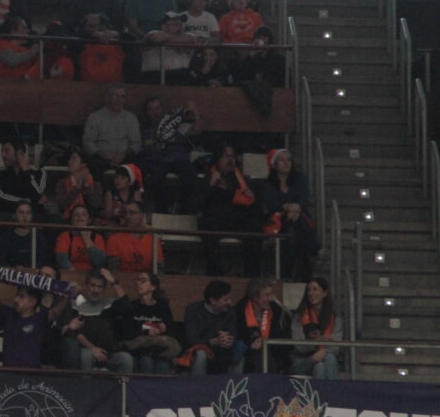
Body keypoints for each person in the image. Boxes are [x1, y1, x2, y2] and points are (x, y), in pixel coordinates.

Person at [199, 142, 262, 277]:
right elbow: (197, 204)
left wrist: (251, 198)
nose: (230, 160)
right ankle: (215, 274)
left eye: (232, 156)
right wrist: (211, 185)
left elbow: (253, 205)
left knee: (255, 228)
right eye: (226, 156)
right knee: (207, 227)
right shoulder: (208, 177)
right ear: (218, 159)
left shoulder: (242, 180)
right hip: (215, 220)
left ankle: (251, 275)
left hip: (236, 219)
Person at [0, 274, 56, 369]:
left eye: (21, 297)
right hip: (8, 372)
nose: (16, 300)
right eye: (16, 295)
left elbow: (58, 310)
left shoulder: (40, 319)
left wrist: (67, 293)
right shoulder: (9, 314)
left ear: (33, 301)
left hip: (32, 374)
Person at [257, 147, 318, 281]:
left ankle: (294, 275)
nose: (286, 163)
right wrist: (288, 208)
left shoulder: (300, 179)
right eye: (282, 160)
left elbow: (303, 199)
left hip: (298, 218)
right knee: (293, 229)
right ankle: (299, 270)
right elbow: (272, 205)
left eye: (289, 160)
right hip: (278, 220)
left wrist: (297, 208)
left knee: (295, 228)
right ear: (275, 164)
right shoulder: (268, 185)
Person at [136, 98, 199, 215]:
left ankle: (183, 211)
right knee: (155, 178)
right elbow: (144, 149)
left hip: (178, 159)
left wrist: (195, 113)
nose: (155, 112)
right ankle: (163, 213)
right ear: (147, 112)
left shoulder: (175, 123)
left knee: (190, 176)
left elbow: (195, 131)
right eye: (151, 110)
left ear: (162, 109)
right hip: (158, 161)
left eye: (157, 108)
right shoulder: (145, 129)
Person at [63, 268, 132, 372]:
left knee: (126, 358)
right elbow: (73, 331)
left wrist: (113, 281)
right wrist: (92, 348)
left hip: (109, 353)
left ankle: (123, 384)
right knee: (86, 355)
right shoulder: (76, 303)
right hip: (87, 350)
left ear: (104, 288)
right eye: (92, 285)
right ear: (87, 285)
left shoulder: (108, 304)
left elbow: (127, 306)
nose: (96, 290)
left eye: (100, 287)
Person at [114, 271, 180, 374]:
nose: (138, 283)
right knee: (146, 360)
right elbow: (127, 333)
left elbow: (171, 332)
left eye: (143, 280)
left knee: (163, 362)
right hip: (139, 350)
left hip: (159, 349)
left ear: (153, 287)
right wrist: (146, 330)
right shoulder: (132, 306)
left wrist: (162, 329)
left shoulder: (162, 307)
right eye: (137, 280)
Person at [181, 278, 242, 375]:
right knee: (201, 353)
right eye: (225, 300)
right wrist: (212, 342)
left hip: (223, 351)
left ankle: (234, 383)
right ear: (213, 300)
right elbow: (191, 339)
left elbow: (233, 333)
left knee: (241, 348)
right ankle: (198, 383)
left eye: (229, 299)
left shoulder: (230, 311)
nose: (229, 302)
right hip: (201, 350)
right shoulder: (193, 310)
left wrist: (229, 340)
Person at [82, 84, 141, 176]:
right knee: (92, 164)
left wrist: (123, 155)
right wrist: (103, 155)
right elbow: (87, 142)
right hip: (101, 157)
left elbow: (136, 143)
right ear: (108, 97)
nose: (118, 100)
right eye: (115, 96)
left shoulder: (131, 118)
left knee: (138, 164)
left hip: (124, 157)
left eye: (122, 97)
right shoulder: (95, 117)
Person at [290, 277, 340, 380]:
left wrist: (323, 353)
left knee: (320, 367)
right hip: (302, 361)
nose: (311, 293)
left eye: (315, 289)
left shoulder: (335, 318)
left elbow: (336, 347)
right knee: (327, 359)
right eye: (309, 290)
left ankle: (324, 391)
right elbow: (298, 346)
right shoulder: (299, 316)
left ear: (325, 293)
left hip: (325, 358)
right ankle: (334, 390)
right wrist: (316, 344)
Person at [236, 276, 287, 373]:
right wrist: (250, 345)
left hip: (271, 355)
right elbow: (237, 336)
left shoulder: (277, 312)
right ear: (255, 297)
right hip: (247, 355)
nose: (270, 299)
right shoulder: (240, 312)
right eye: (266, 295)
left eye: (271, 294)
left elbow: (282, 342)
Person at [105, 201, 164, 274]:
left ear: (141, 215)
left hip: (147, 279)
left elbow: (159, 268)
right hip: (122, 279)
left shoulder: (153, 239)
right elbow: (113, 270)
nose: (127, 216)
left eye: (132, 213)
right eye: (125, 213)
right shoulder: (114, 239)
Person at [55, 203, 107, 271]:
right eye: (76, 215)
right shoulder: (64, 236)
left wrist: (87, 240)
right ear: (71, 220)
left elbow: (99, 262)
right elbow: (62, 259)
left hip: (92, 274)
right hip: (70, 273)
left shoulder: (98, 237)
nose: (80, 217)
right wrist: (75, 274)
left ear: (89, 220)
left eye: (83, 214)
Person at [55, 148, 103, 221]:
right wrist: (77, 189)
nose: (69, 161)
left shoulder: (95, 184)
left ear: (83, 164)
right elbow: (61, 204)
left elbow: (96, 204)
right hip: (68, 219)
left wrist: (88, 188)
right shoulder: (62, 183)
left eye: (73, 159)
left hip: (90, 221)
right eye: (69, 159)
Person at [0, 199, 39, 268]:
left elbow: (44, 261)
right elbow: (0, 261)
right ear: (14, 215)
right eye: (21, 212)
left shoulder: (38, 237)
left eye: (28, 213)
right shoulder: (5, 238)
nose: (25, 216)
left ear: (32, 216)